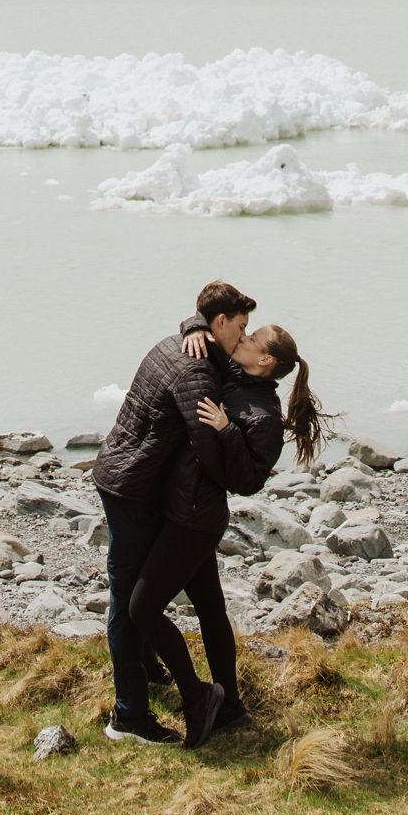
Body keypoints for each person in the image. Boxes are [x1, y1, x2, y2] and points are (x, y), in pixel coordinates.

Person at [126, 323, 328, 747]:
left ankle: (200, 696)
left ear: (266, 361)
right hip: (187, 509)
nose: (243, 339)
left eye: (252, 340)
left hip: (194, 519)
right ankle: (231, 708)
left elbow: (249, 480)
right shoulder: (238, 373)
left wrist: (225, 430)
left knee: (142, 608)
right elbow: (214, 319)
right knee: (211, 611)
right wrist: (195, 326)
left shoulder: (263, 415)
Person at [91, 282, 256, 745]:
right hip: (132, 491)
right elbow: (209, 454)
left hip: (123, 476)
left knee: (142, 590)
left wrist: (192, 324)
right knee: (129, 604)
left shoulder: (176, 342)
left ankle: (147, 670)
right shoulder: (198, 372)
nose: (244, 337)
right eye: (240, 328)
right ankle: (129, 717)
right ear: (218, 323)